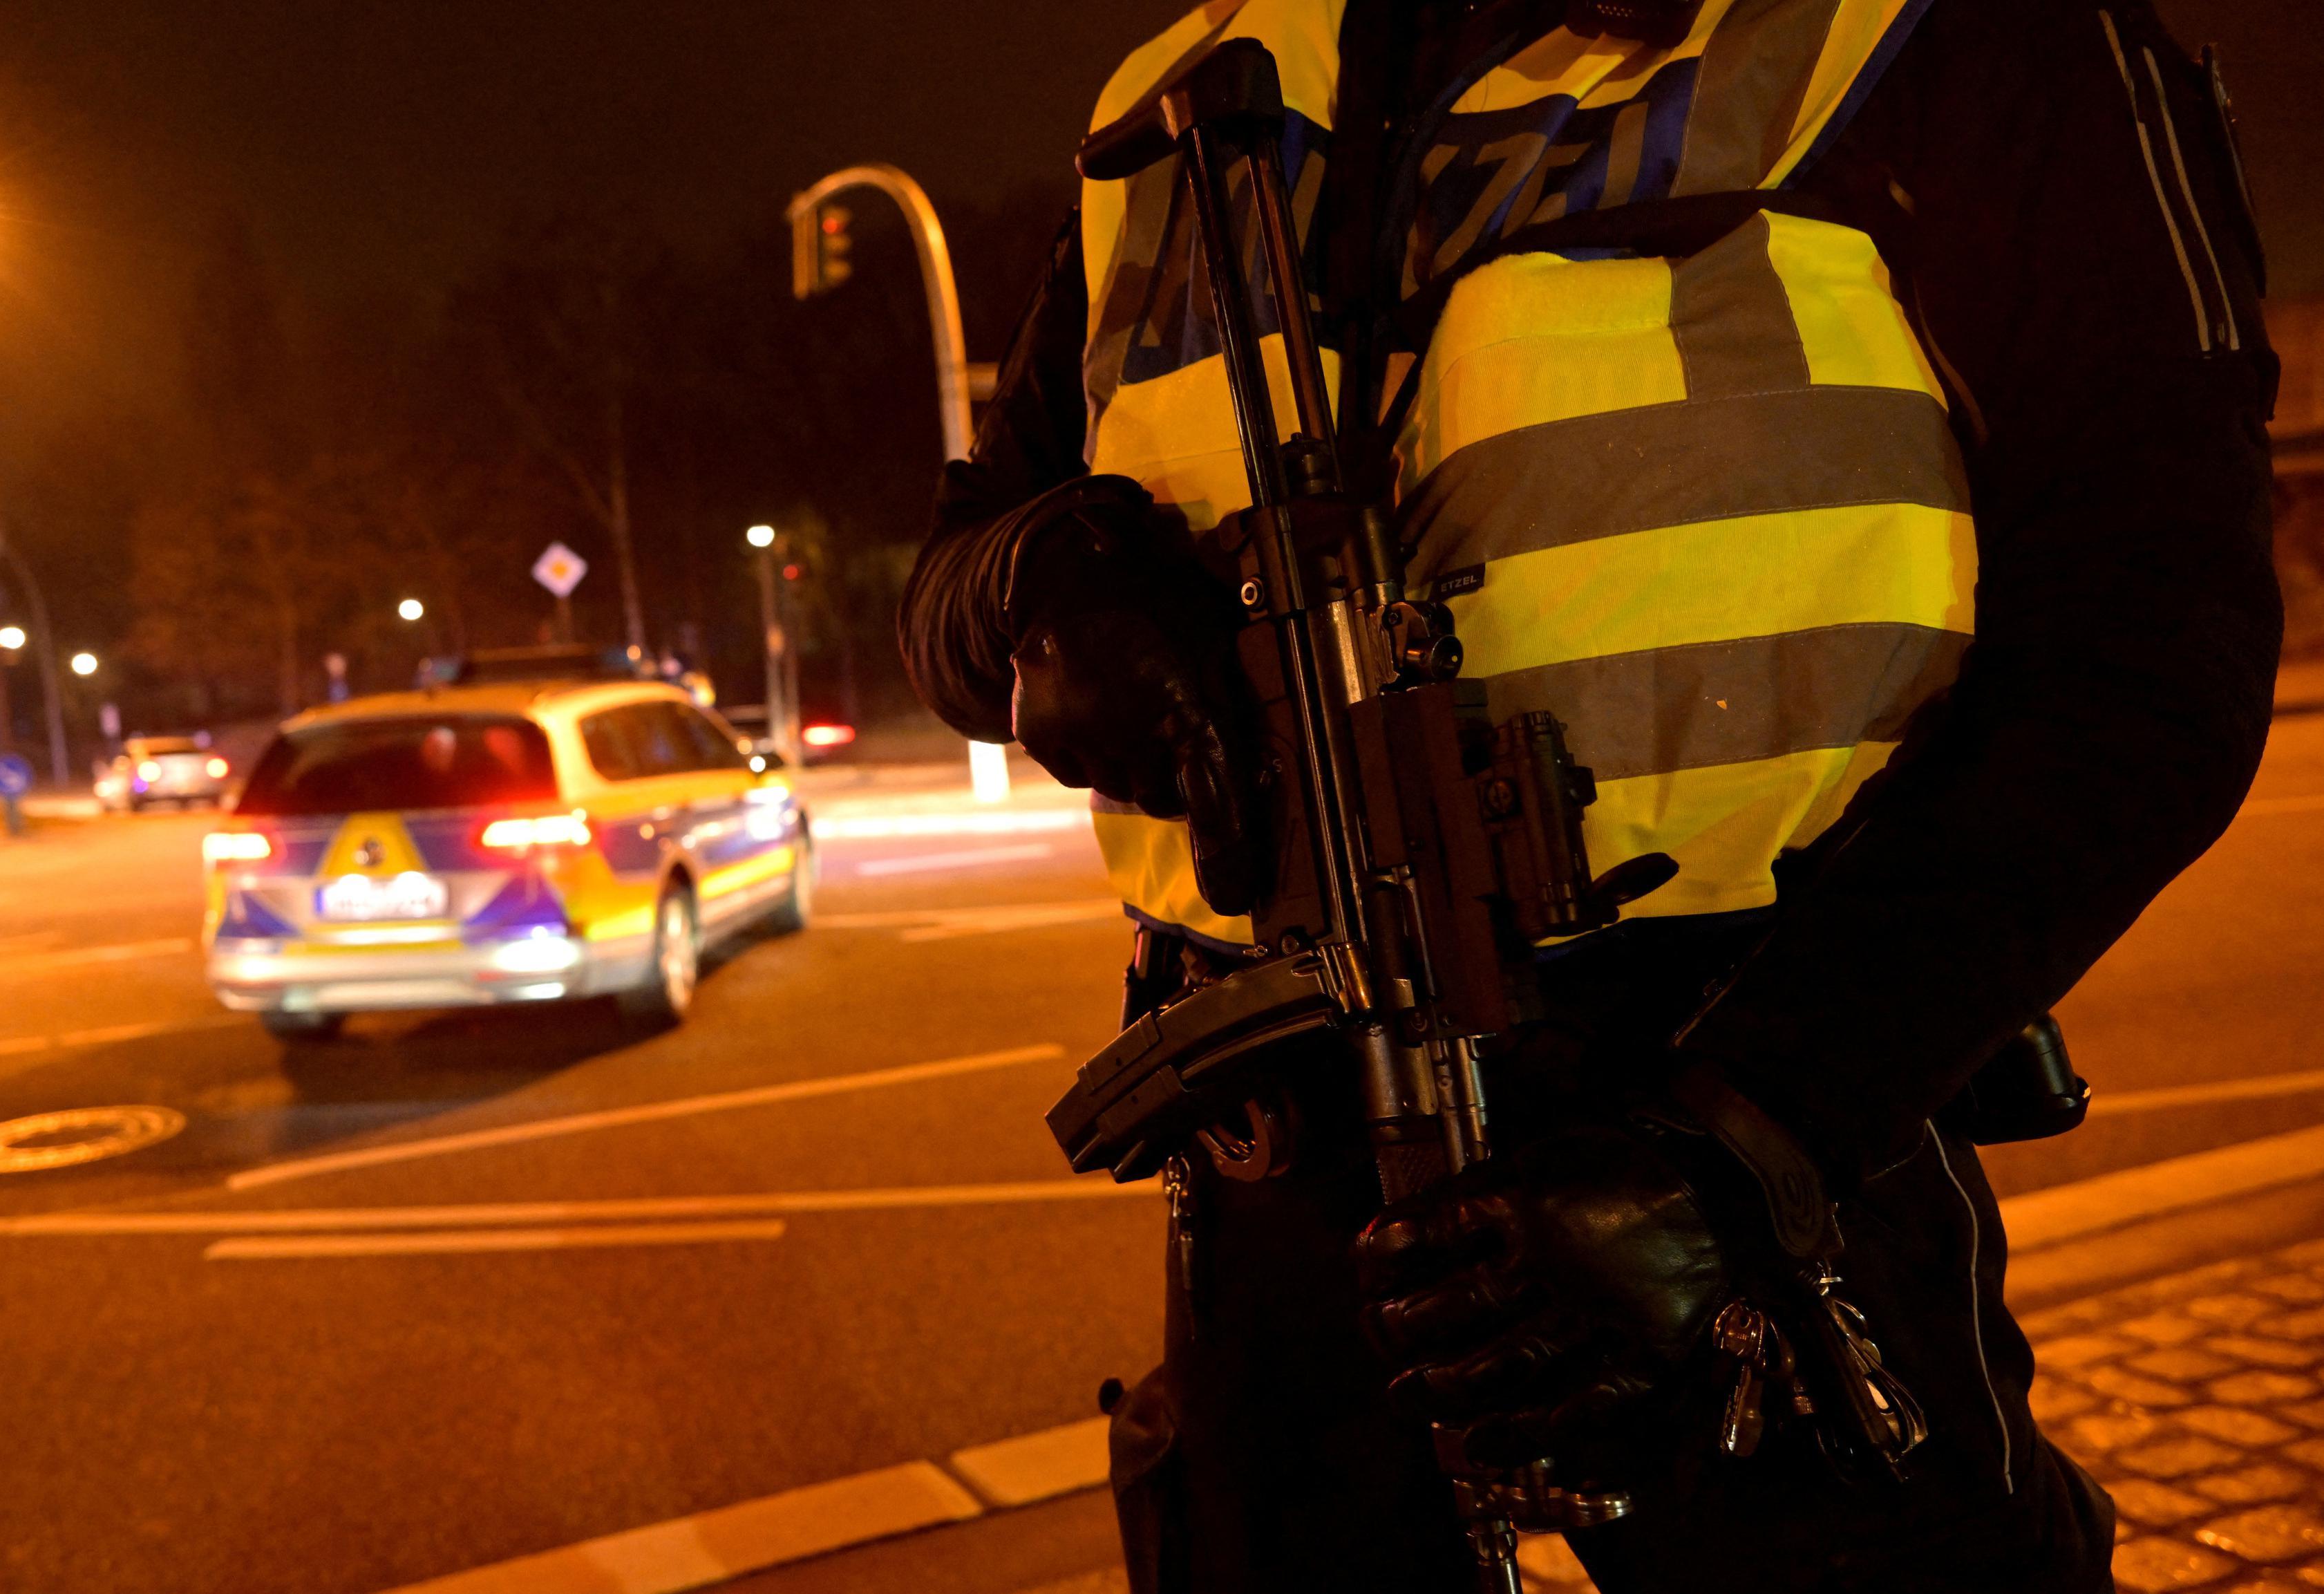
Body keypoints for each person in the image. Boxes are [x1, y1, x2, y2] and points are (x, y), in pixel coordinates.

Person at [899, 0, 2279, 1588]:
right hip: (1282, 1179)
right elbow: (955, 566)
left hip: (1748, 1149)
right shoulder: (1181, 103)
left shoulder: (1949, 36)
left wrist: (1728, 1155)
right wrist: (1042, 585)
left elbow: (2154, 647)